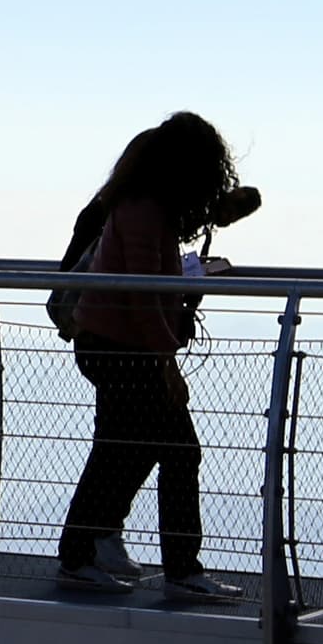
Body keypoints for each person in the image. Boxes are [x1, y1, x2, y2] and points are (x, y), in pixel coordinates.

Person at [54, 111, 248, 601]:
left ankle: (89, 554)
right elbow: (142, 295)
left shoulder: (144, 205)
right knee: (169, 451)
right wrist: (167, 364)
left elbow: (146, 287)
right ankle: (157, 567)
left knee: (128, 450)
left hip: (114, 344)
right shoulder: (144, 211)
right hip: (122, 348)